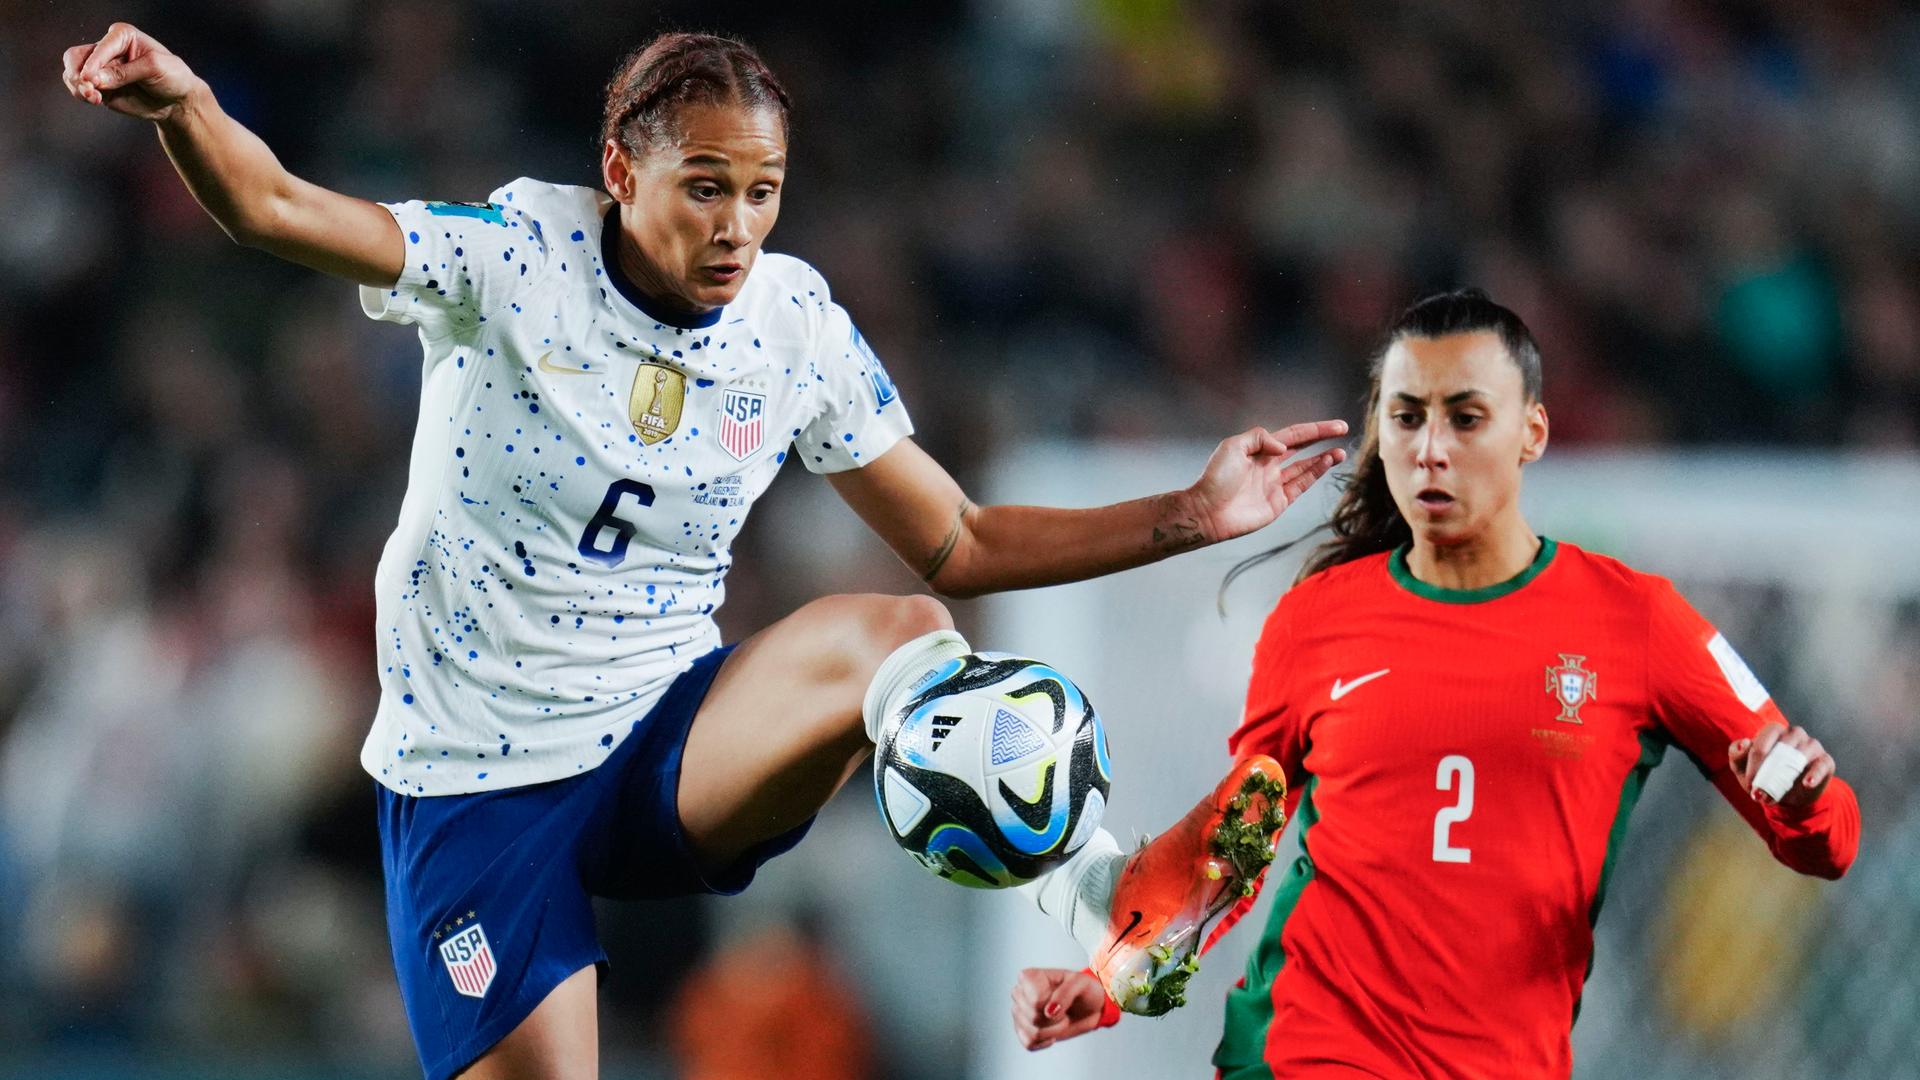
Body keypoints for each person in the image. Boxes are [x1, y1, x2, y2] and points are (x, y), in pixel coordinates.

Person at [61, 22, 1347, 1080]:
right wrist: (184, 109)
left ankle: (1103, 898)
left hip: (669, 737)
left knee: (906, 636)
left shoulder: (792, 325)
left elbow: (956, 537)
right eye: (707, 187)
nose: (739, 225)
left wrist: (1188, 513)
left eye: (765, 193)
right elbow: (277, 207)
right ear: (621, 172)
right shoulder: (512, 259)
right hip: (472, 782)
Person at [1009, 289, 1861, 1077]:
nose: (1430, 449)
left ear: (1531, 432)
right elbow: (1239, 838)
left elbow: (1828, 841)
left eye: (1466, 418)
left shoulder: (1638, 623)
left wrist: (1801, 796)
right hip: (1305, 1049)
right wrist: (1113, 976)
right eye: (1408, 417)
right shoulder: (1318, 619)